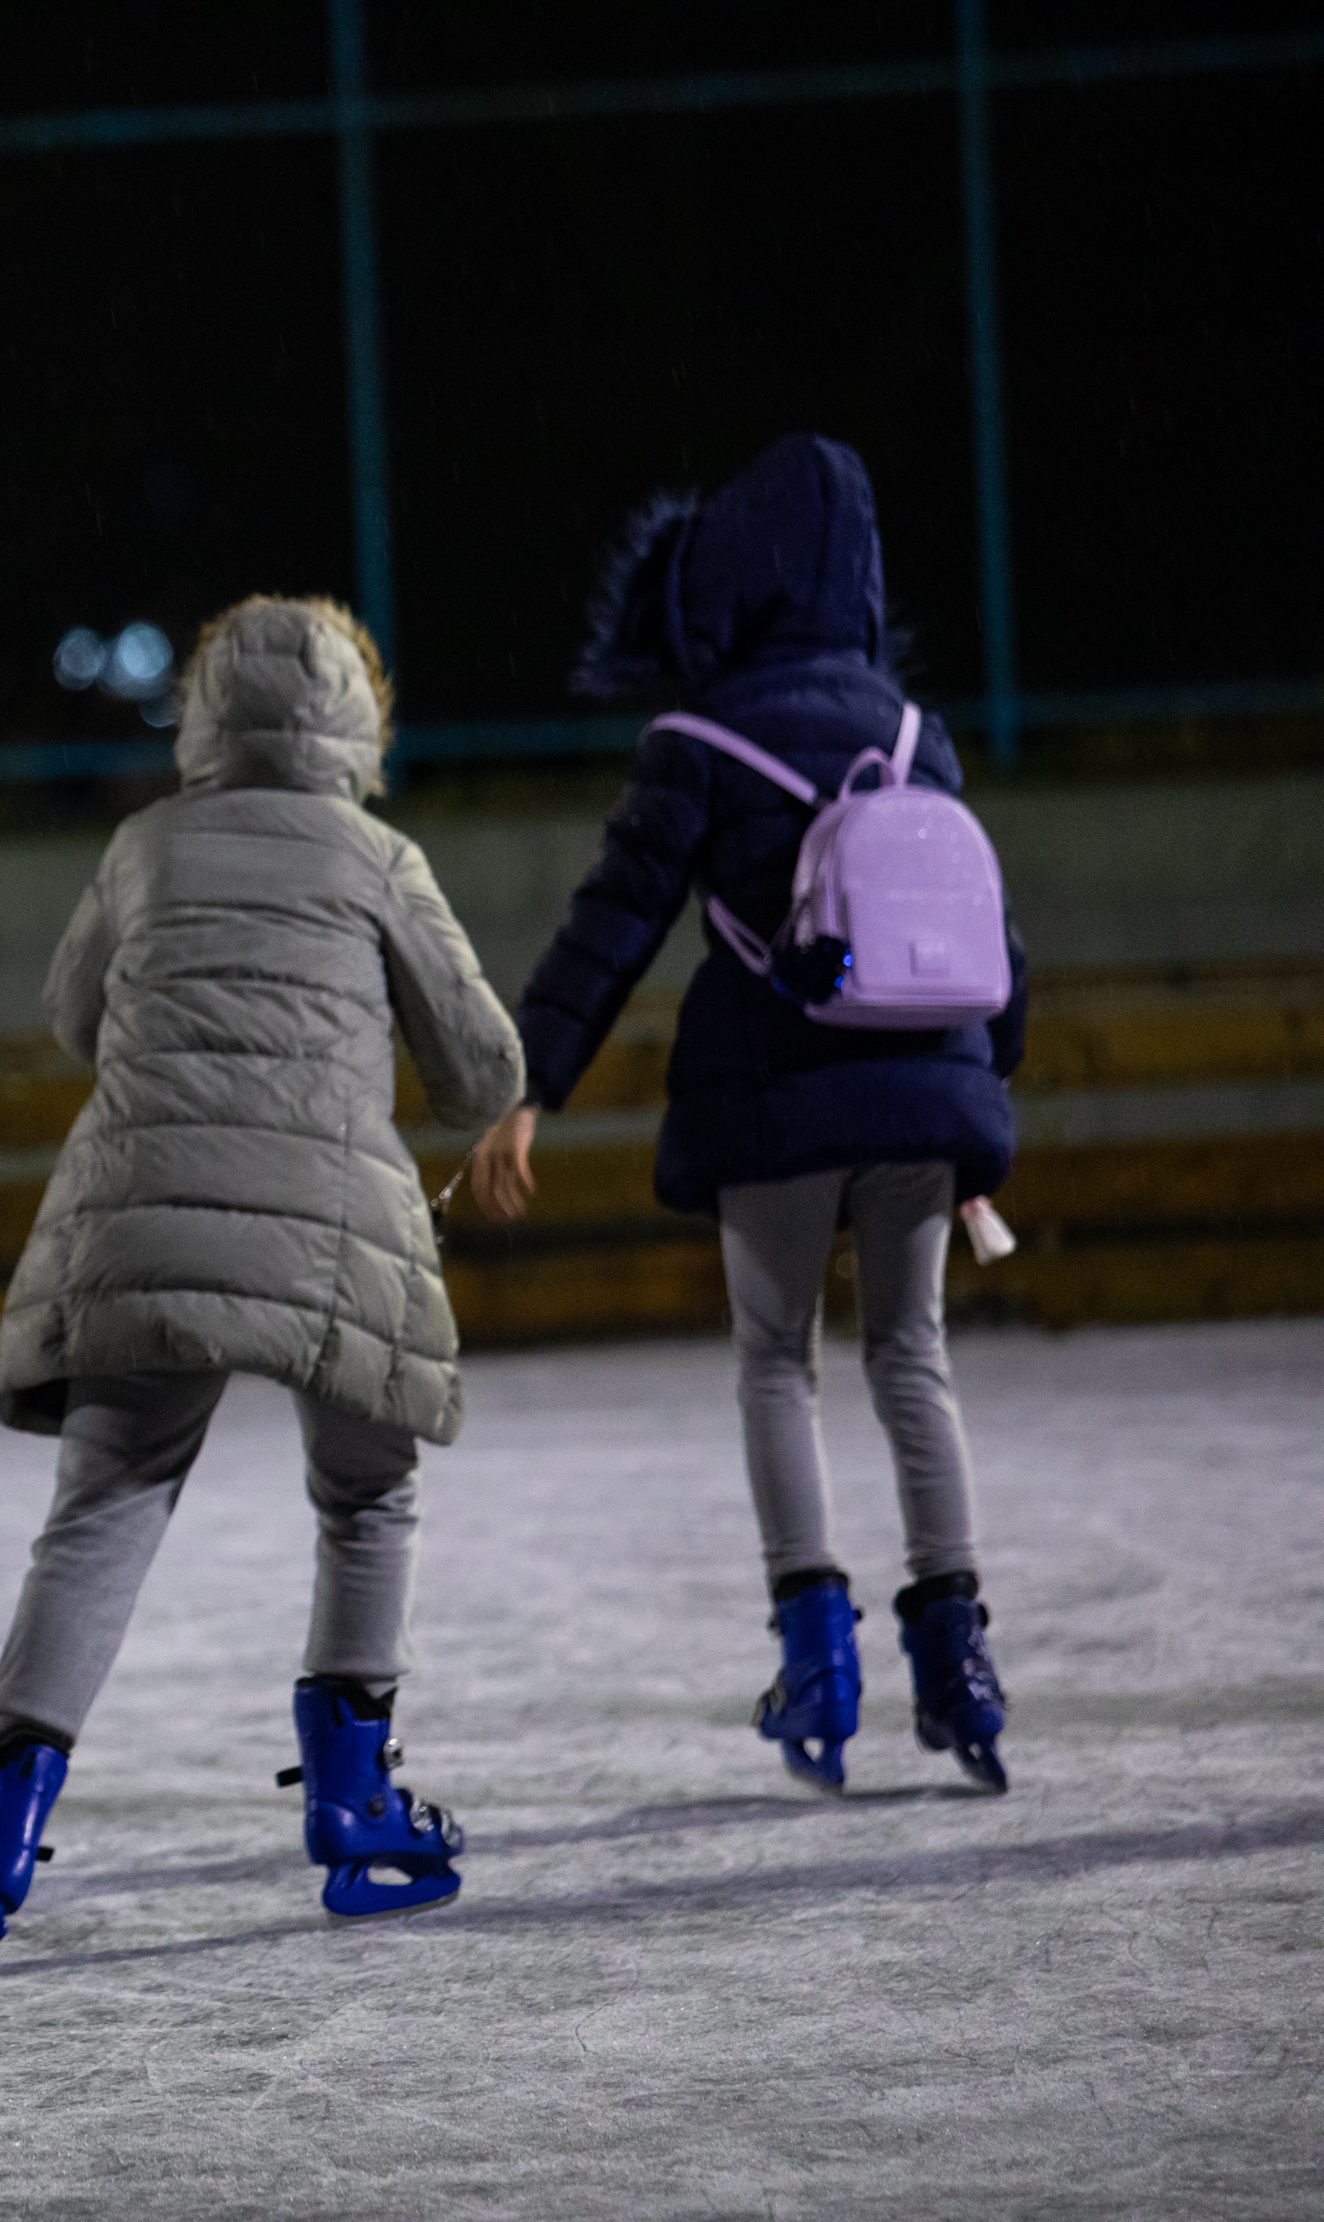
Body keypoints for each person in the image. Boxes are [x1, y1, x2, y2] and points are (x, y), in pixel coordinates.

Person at [0, 595, 525, 1965]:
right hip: (338, 1226)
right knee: (367, 1491)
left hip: (147, 1216)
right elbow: (482, 1067)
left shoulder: (144, 846)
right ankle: (354, 1797)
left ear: (205, 714)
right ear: (358, 719)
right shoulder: (378, 856)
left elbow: (72, 1016)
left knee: (105, 1503)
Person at [469, 433, 1022, 1795]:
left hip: (775, 1084)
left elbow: (615, 923)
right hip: (924, 1085)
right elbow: (984, 931)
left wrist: (529, 1084)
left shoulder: (697, 741)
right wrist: (979, 1098)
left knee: (779, 1360)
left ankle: (817, 1661)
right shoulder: (915, 734)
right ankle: (958, 1663)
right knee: (913, 1356)